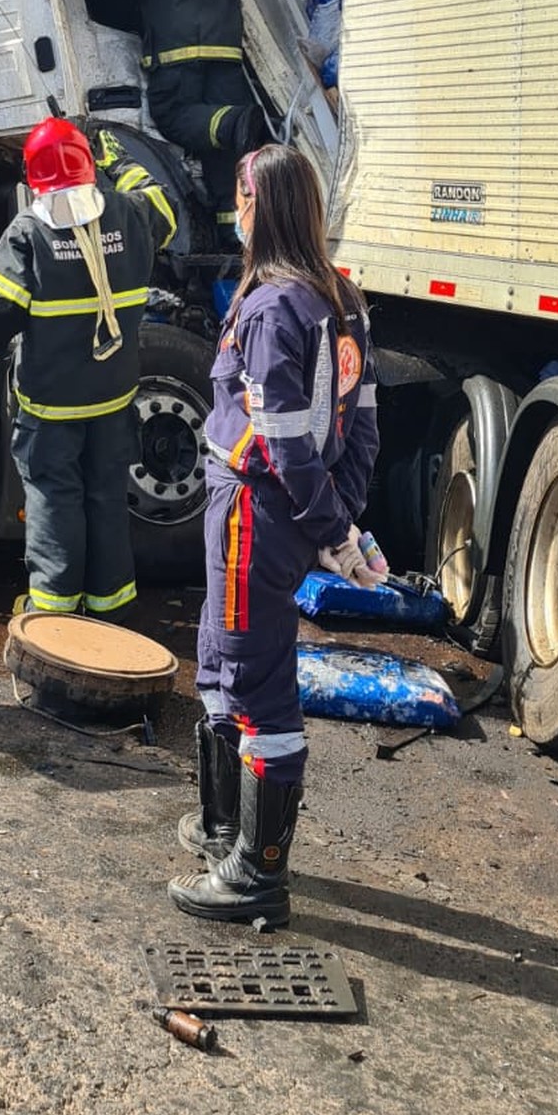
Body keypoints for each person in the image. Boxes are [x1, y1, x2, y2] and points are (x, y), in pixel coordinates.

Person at [167, 142, 383, 927]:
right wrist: (336, 520)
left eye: (240, 197)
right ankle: (225, 826)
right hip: (279, 517)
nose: (236, 210)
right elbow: (361, 427)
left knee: (255, 683)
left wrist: (327, 524)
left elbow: (286, 439)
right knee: (223, 658)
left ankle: (257, 871)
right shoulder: (341, 300)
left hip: (253, 515)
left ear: (261, 206)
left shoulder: (268, 309)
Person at [0, 119, 177, 620]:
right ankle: (110, 608)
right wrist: (116, 159)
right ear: (88, 166)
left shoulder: (29, 234)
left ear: (33, 179)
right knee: (104, 494)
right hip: (114, 395)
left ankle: (53, 612)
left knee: (56, 498)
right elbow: (163, 203)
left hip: (52, 404)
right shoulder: (129, 215)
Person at [78, 0, 264, 234]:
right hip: (225, 56)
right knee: (220, 156)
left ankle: (236, 122)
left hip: (181, 56)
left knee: (174, 116)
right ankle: (232, 235)